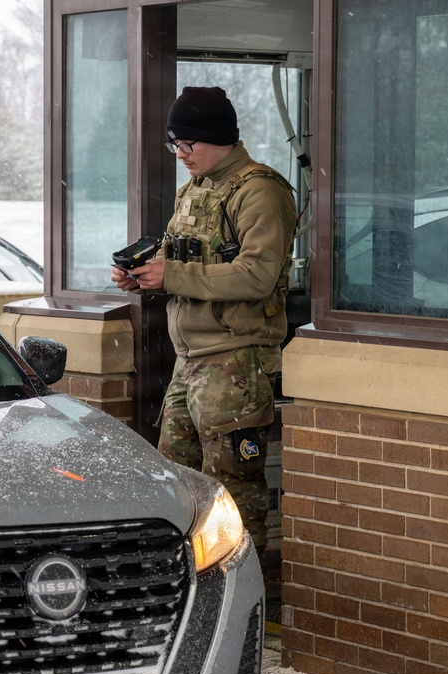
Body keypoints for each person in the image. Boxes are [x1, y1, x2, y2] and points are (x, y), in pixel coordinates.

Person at [111, 86, 297, 563]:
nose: (180, 154)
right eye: (174, 144)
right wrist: (145, 278)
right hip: (189, 360)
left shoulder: (260, 191)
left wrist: (171, 274)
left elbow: (257, 275)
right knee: (175, 481)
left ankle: (245, 584)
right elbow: (185, 260)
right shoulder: (197, 189)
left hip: (236, 362)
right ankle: (184, 581)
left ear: (217, 138)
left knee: (232, 486)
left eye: (187, 143)